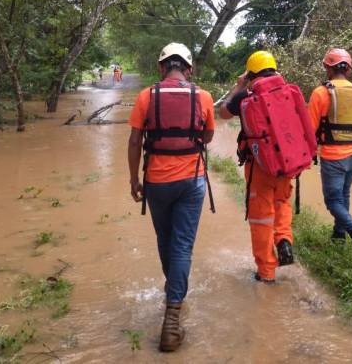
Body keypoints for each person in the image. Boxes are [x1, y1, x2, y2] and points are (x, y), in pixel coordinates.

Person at [127, 42, 215, 352]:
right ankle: (173, 314)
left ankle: (172, 294)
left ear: (162, 68)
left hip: (156, 182)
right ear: (188, 69)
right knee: (182, 246)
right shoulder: (203, 97)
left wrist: (133, 178)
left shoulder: (145, 97)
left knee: (165, 241)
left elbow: (136, 140)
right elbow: (207, 136)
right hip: (192, 182)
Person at [219, 50, 312, 284]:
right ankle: (284, 241)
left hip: (259, 168)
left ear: (250, 73)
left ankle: (266, 272)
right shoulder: (289, 92)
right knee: (281, 203)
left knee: (261, 219)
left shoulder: (245, 97)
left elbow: (222, 113)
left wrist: (239, 87)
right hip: (287, 164)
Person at [308, 48, 352, 267]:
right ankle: (339, 235)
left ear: (327, 68)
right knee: (344, 194)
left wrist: (309, 154)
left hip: (333, 156)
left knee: (333, 201)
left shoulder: (321, 93)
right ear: (348, 69)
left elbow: (310, 129)